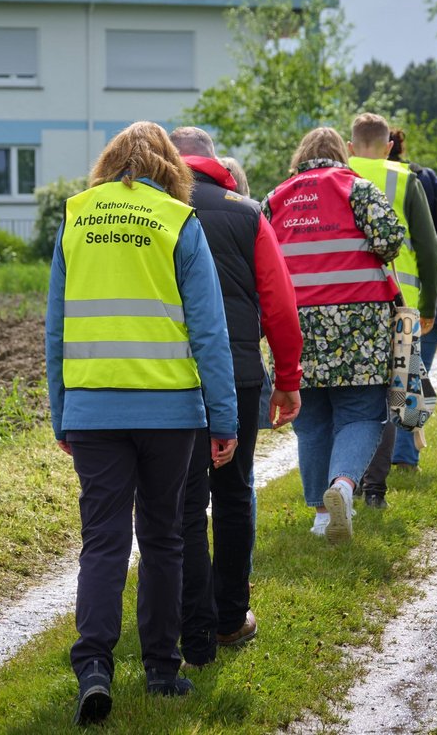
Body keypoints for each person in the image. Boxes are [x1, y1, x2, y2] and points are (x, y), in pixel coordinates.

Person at [44, 121, 240, 727]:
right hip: (169, 411)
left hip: (94, 410)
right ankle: (161, 668)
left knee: (102, 539)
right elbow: (209, 331)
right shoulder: (180, 224)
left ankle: (94, 667)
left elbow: (56, 326)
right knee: (162, 538)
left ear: (108, 163)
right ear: (170, 169)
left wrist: (61, 409)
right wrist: (224, 417)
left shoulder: (76, 217)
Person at [169, 127, 304, 667]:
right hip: (242, 373)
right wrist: (288, 378)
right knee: (232, 492)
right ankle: (229, 618)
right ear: (213, 160)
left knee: (182, 501)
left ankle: (187, 616)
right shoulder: (247, 212)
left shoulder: (153, 210)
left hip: (170, 378)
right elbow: (279, 300)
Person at [262, 126, 406, 544]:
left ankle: (322, 517)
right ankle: (343, 485)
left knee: (310, 423)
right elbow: (391, 240)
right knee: (360, 414)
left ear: (300, 154)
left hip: (296, 322)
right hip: (358, 324)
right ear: (341, 153)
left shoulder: (275, 198)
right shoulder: (357, 188)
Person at [360, 128, 437, 506]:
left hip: (370, 300)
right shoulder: (417, 178)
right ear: (392, 147)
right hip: (421, 298)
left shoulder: (348, 178)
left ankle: (374, 466)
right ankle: (405, 459)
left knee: (377, 387)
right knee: (409, 378)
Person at [345, 114, 437, 509]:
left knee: (350, 395)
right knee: (392, 393)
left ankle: (343, 479)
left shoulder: (337, 174)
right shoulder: (405, 179)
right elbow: (430, 248)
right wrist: (431, 306)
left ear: (350, 146)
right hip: (399, 304)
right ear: (389, 146)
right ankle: (374, 490)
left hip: (344, 298)